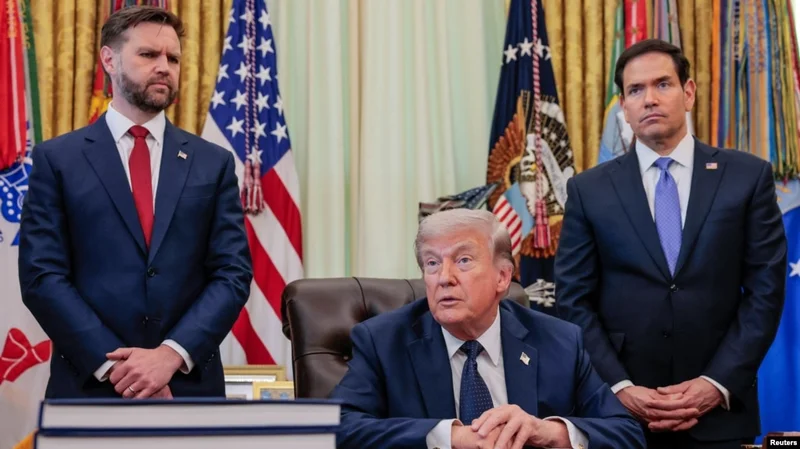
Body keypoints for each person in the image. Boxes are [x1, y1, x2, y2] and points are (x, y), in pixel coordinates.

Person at [555, 39, 787, 449]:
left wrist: (715, 383)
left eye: (662, 84)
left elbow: (765, 292)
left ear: (689, 92)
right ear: (624, 106)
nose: (649, 99)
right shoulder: (588, 190)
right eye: (635, 90)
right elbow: (573, 300)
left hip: (720, 415)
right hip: (620, 417)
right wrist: (620, 387)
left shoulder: (747, 177)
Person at [18, 6, 252, 399]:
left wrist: (169, 356)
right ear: (109, 60)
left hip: (185, 388)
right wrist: (119, 369)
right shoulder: (57, 160)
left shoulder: (213, 163)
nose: (164, 67)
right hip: (90, 388)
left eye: (173, 58)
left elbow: (232, 273)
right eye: (148, 54)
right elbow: (42, 276)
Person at [331, 209, 645, 449]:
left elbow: (626, 433)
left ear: (502, 278)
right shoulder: (383, 341)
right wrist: (450, 437)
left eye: (463, 260)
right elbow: (336, 427)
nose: (445, 278)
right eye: (432, 263)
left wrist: (548, 432)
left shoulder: (559, 341)